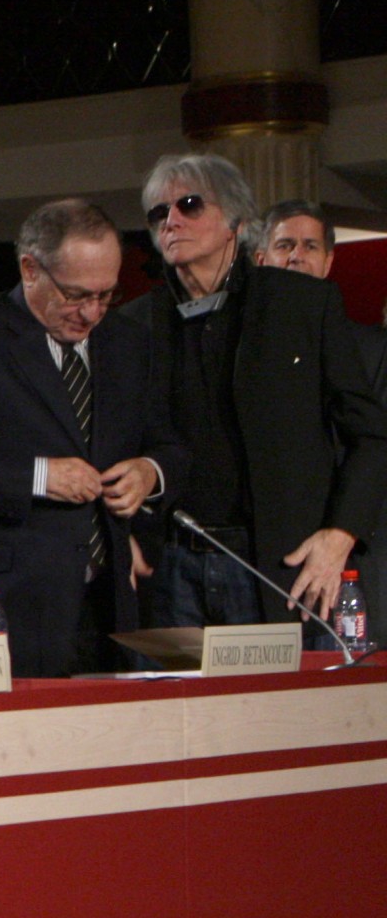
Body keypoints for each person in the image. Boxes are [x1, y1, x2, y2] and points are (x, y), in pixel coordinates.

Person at [0, 200, 186, 676]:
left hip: (103, 609)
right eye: (75, 295)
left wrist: (150, 473)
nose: (91, 313)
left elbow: (169, 444)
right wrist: (39, 476)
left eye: (106, 295)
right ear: (30, 269)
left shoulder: (129, 343)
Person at [132, 155, 387, 630]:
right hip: (167, 567)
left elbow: (370, 437)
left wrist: (340, 534)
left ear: (234, 221)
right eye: (159, 213)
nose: (172, 221)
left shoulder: (302, 303)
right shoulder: (134, 324)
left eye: (189, 205)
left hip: (277, 565)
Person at [254, 199, 387, 602]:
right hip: (266, 553)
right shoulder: (239, 351)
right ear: (260, 260)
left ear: (329, 262)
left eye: (310, 246)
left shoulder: (373, 350)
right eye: (285, 245)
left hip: (352, 551)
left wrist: (342, 532)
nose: (297, 255)